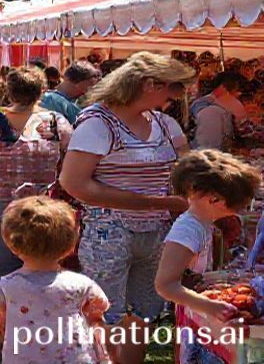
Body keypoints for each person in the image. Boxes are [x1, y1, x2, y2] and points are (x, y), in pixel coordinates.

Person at [59, 52, 196, 364]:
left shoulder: (164, 123)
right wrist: (154, 202)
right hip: (110, 231)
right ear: (149, 84)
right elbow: (75, 183)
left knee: (143, 312)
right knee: (105, 312)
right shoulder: (97, 123)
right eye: (173, 89)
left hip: (156, 231)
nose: (176, 97)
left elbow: (188, 170)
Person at [0, 66, 72, 275]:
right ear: (42, 92)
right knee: (42, 266)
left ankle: (2, 306)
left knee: (0, 269)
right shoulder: (58, 124)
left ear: (8, 92)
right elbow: (70, 164)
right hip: (44, 205)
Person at [156, 150, 259, 362]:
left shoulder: (203, 222)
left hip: (199, 312)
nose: (239, 210)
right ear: (214, 198)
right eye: (238, 204)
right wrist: (211, 306)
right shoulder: (188, 230)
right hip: (197, 316)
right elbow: (165, 285)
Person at [0, 196, 110, 364]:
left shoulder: (4, 288)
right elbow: (98, 314)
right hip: (74, 358)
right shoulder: (82, 284)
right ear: (70, 246)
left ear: (12, 245)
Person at [189, 71, 247, 150]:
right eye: (237, 91)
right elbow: (208, 142)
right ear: (222, 88)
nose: (238, 96)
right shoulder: (204, 106)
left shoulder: (208, 105)